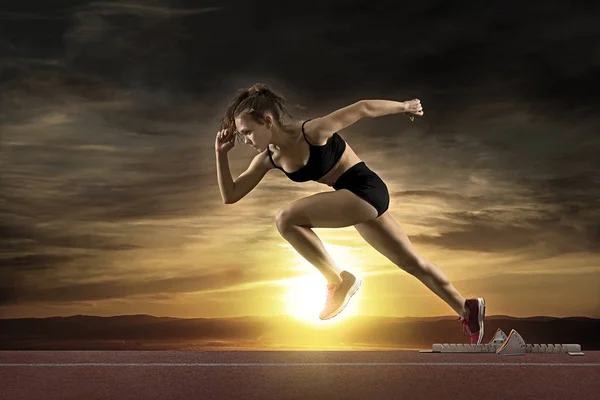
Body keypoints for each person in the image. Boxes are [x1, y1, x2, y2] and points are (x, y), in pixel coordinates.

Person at [215, 83, 486, 344]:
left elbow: (363, 108)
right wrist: (221, 155)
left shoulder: (313, 131)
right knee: (411, 262)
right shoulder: (268, 159)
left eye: (248, 132)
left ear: (268, 120)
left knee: (285, 219)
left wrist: (405, 106)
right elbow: (231, 195)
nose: (246, 140)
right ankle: (466, 309)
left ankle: (339, 280)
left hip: (365, 188)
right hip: (350, 198)